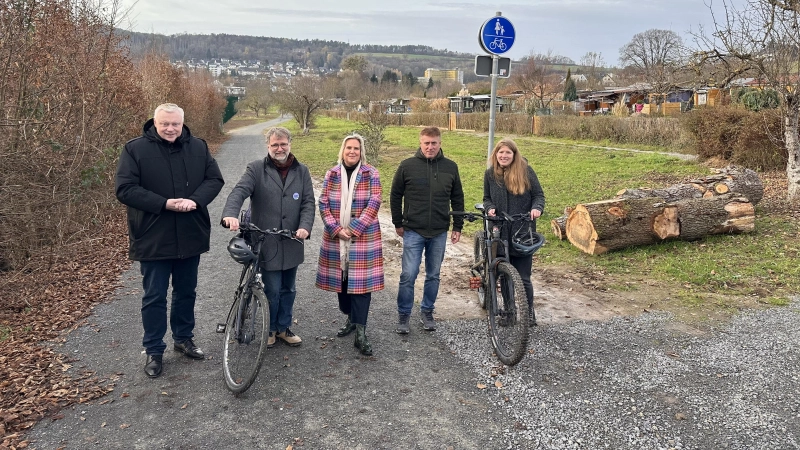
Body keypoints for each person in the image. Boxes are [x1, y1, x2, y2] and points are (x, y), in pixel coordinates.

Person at [115, 103, 224, 379]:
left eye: (175, 124)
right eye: (165, 123)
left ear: (182, 123)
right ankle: (153, 350)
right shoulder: (135, 149)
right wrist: (164, 204)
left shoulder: (198, 147)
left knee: (186, 292)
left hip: (190, 233)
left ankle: (183, 338)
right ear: (155, 122)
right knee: (154, 296)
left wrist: (194, 200)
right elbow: (125, 189)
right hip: (153, 236)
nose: (170, 128)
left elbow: (215, 179)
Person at [221, 126, 315, 348]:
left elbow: (308, 202)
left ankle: (283, 327)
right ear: (268, 146)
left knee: (289, 288)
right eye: (275, 145)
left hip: (292, 239)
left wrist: (305, 226)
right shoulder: (256, 169)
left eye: (283, 144)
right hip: (266, 241)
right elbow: (239, 191)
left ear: (290, 144)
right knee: (272, 288)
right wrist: (230, 214)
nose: (279, 148)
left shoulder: (302, 171)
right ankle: (270, 328)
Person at [390, 126, 464, 334]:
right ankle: (404, 315)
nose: (430, 147)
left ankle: (427, 311)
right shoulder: (407, 166)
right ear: (420, 143)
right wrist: (398, 222)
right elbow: (396, 195)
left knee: (433, 275)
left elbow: (457, 197)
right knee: (408, 274)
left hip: (439, 230)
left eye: (434, 143)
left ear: (440, 143)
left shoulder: (451, 167)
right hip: (413, 229)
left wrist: (457, 226)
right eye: (426, 143)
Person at [315, 134, 384, 356]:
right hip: (336, 237)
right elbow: (323, 202)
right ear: (342, 151)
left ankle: (361, 333)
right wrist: (336, 229)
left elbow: (375, 201)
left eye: (356, 148)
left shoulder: (371, 173)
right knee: (342, 282)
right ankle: (350, 318)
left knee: (362, 287)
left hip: (363, 237)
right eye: (348, 148)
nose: (352, 151)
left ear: (361, 151)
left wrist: (354, 229)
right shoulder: (332, 173)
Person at [482, 138, 545, 326]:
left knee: (524, 277)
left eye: (508, 152)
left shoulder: (526, 171)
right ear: (496, 155)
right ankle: (509, 313)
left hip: (522, 230)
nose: (504, 156)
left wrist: (537, 209)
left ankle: (529, 314)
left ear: (514, 155)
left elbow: (538, 196)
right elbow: (486, 198)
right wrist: (490, 207)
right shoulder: (490, 174)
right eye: (501, 152)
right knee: (504, 274)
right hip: (499, 231)